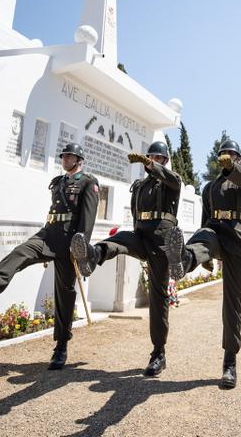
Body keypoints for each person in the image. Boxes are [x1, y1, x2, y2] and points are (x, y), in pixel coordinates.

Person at [0, 143, 99, 370]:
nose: (65, 159)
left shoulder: (88, 182)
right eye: (63, 156)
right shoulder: (58, 183)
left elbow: (88, 219)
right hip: (48, 234)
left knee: (64, 293)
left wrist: (81, 246)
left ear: (79, 160)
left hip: (69, 242)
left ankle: (61, 347)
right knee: (19, 253)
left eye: (69, 156)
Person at [69, 142, 185, 377]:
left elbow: (172, 180)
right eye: (150, 157)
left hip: (162, 240)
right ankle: (92, 256)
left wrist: (150, 165)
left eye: (157, 158)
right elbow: (134, 212)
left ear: (164, 160)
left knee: (158, 296)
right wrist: (136, 232)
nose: (152, 160)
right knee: (120, 239)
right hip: (141, 233)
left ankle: (158, 353)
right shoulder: (140, 185)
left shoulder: (171, 180)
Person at [178, 138, 241, 389]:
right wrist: (205, 257)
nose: (228, 157)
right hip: (216, 233)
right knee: (204, 235)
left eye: (232, 154)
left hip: (238, 239)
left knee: (232, 301)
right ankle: (185, 258)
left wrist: (234, 168)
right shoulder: (209, 186)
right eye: (224, 154)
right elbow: (204, 220)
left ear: (239, 159)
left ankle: (230, 361)